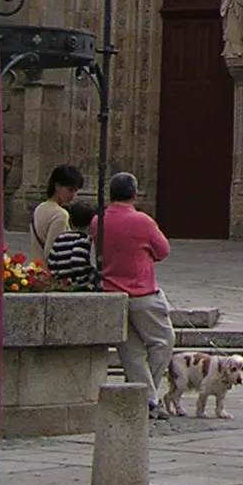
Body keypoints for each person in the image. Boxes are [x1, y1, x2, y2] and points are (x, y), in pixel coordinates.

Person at [93, 172, 174, 419]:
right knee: (163, 340)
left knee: (132, 351)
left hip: (111, 293)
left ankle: (147, 399)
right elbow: (163, 251)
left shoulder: (99, 221)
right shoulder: (144, 222)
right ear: (135, 194)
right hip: (142, 292)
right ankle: (149, 395)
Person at [29, 164, 83, 259]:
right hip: (49, 272)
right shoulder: (60, 215)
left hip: (34, 268)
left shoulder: (40, 208)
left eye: (76, 190)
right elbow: (53, 253)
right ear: (57, 186)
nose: (73, 195)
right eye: (70, 190)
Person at [46, 199, 96, 290]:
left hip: (61, 284)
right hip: (75, 285)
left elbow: (51, 262)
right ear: (90, 223)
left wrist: (58, 278)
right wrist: (85, 281)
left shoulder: (60, 238)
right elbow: (77, 261)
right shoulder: (83, 239)